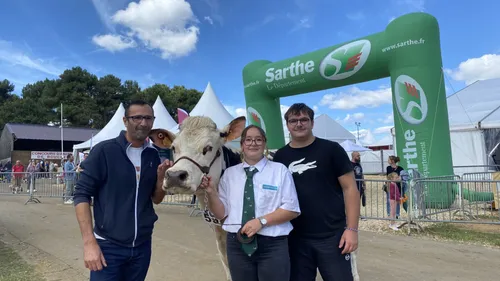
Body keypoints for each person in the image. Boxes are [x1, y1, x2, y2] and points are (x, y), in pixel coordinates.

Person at [73, 100, 171, 281]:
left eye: (148, 118)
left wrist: (160, 180)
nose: (143, 123)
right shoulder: (104, 151)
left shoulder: (153, 154)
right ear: (125, 121)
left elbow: (156, 199)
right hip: (108, 246)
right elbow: (81, 195)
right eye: (137, 118)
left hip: (142, 246)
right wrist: (89, 243)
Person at [200, 125, 301, 281]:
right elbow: (221, 214)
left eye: (258, 139)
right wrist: (211, 192)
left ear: (264, 144)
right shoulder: (229, 174)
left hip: (272, 246)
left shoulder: (280, 171)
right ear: (242, 145)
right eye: (248, 140)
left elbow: (291, 209)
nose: (253, 143)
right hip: (237, 245)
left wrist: (261, 221)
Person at [272, 103, 360, 281]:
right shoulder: (280, 157)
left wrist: (352, 229)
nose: (299, 124)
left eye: (304, 119)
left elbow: (350, 188)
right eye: (293, 120)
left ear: (312, 123)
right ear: (287, 125)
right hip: (295, 237)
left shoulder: (332, 150)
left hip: (332, 236)